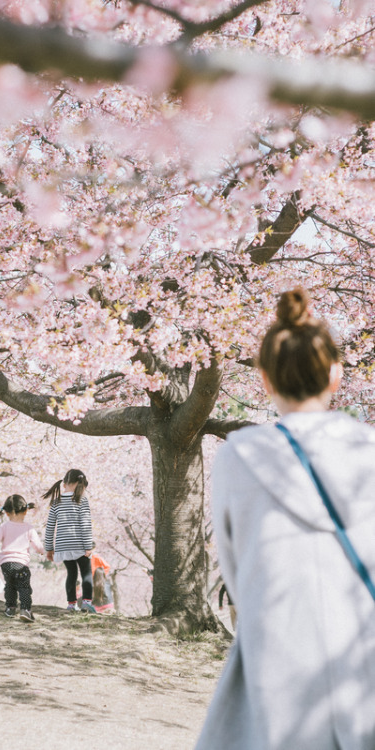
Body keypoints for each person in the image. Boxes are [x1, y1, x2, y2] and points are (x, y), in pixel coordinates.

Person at [195, 288, 375, 750]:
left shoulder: (238, 457)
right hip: (361, 642)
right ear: (336, 375)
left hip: (278, 644)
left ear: (265, 379)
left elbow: (236, 572)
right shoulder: (369, 454)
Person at [0, 494, 44, 622]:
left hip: (6, 564)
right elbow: (38, 546)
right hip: (21, 564)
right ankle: (25, 609)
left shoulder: (4, 527)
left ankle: (10, 608)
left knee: (10, 585)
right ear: (26, 511)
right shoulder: (29, 528)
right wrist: (45, 552)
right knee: (24, 587)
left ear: (7, 513)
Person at [44, 469, 96, 613]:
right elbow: (85, 525)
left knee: (71, 574)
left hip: (62, 546)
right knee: (86, 572)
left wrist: (49, 548)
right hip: (79, 544)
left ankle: (71, 605)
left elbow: (50, 527)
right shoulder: (82, 500)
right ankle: (86, 602)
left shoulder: (56, 501)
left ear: (65, 482)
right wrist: (88, 546)